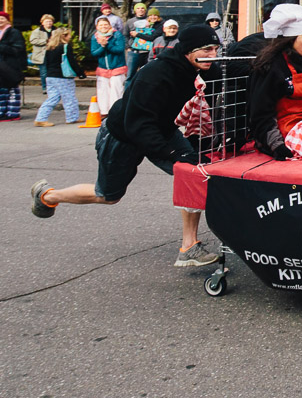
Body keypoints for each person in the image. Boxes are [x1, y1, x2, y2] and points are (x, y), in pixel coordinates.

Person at [30, 24, 222, 268]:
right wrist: (172, 152)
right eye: (206, 49)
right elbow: (137, 125)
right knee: (109, 196)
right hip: (123, 135)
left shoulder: (197, 65)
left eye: (215, 48)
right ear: (187, 50)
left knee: (193, 173)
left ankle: (189, 247)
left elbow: (229, 75)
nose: (213, 55)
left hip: (160, 129)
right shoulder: (156, 74)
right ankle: (48, 195)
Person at [249, 4, 302, 160]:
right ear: (290, 40)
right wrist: (276, 145)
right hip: (289, 132)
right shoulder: (272, 66)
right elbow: (261, 112)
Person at [33, 28, 86, 126]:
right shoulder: (65, 47)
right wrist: (80, 73)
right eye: (69, 35)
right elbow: (71, 61)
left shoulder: (50, 47)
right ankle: (72, 117)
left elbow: (46, 63)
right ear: (64, 36)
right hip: (63, 76)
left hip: (50, 76)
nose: (70, 37)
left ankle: (40, 118)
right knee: (69, 97)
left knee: (52, 98)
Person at [91, 16, 127, 117]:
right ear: (97, 27)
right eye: (101, 25)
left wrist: (107, 45)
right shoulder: (95, 37)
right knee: (102, 91)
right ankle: (104, 112)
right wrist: (102, 47)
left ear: (109, 25)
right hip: (103, 69)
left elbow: (119, 49)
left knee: (116, 91)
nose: (103, 26)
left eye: (105, 24)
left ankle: (115, 112)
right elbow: (94, 53)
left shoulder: (117, 35)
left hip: (117, 67)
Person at [0, 10, 27, 121]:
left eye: (2, 19)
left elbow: (18, 49)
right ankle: (1, 112)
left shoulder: (14, 32)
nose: (0, 21)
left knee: (11, 90)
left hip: (11, 66)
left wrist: (2, 47)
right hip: (1, 66)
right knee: (1, 90)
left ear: (7, 20)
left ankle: (12, 113)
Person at [127, 5, 161, 79]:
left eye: (155, 15)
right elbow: (125, 34)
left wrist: (138, 34)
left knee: (148, 72)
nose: (153, 17)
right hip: (138, 50)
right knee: (133, 73)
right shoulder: (145, 24)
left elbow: (152, 37)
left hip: (152, 51)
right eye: (151, 15)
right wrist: (128, 46)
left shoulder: (160, 24)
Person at [29, 14, 56, 93]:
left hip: (53, 53)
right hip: (42, 54)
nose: (49, 23)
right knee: (44, 72)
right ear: (42, 22)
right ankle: (45, 88)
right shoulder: (37, 31)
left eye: (50, 21)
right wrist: (45, 41)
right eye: (47, 21)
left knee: (53, 71)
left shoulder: (56, 30)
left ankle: (53, 87)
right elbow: (33, 40)